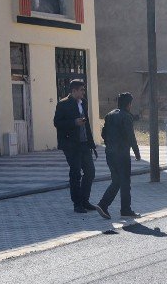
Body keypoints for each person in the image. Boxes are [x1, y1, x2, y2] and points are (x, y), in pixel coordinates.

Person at [53, 79, 103, 215]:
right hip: (70, 145)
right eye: (81, 90)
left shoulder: (84, 103)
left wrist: (91, 144)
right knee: (75, 173)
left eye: (83, 90)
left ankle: (85, 201)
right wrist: (73, 122)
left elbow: (86, 124)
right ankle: (77, 203)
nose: (83, 92)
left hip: (84, 144)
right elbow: (57, 123)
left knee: (90, 172)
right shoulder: (63, 104)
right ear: (74, 91)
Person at [97, 92, 142, 219]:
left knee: (116, 181)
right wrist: (137, 153)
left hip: (109, 153)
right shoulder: (127, 117)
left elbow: (103, 134)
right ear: (129, 104)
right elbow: (131, 137)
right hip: (122, 155)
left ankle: (104, 205)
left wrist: (109, 144)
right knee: (125, 182)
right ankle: (124, 209)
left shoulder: (109, 115)